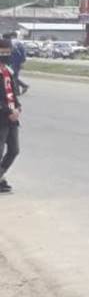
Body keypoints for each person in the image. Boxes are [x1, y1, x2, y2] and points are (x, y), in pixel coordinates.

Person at [0, 40, 21, 194]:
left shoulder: (7, 70)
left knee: (14, 150)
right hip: (2, 116)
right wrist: (8, 111)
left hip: (13, 117)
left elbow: (12, 92)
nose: (7, 54)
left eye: (8, 51)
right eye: (4, 51)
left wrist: (18, 107)